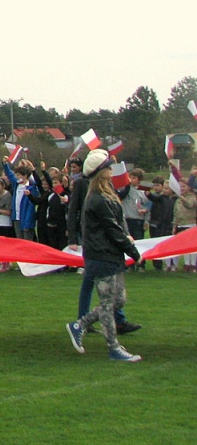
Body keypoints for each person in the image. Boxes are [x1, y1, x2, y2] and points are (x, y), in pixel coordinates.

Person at [66, 149, 143, 362]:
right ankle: (114, 348)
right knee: (108, 303)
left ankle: (79, 325)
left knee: (119, 300)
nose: (111, 169)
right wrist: (133, 252)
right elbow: (112, 229)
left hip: (111, 254)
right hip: (101, 256)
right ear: (100, 171)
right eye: (108, 166)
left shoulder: (107, 193)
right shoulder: (98, 198)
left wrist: (126, 239)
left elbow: (119, 223)